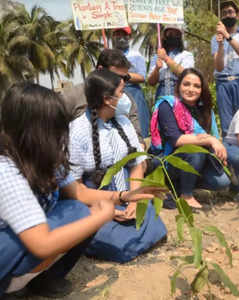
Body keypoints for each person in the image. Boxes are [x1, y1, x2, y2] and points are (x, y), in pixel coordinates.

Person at [0, 83, 163, 298]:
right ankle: (8, 286)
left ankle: (45, 279)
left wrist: (123, 196)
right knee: (84, 216)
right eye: (55, 126)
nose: (61, 132)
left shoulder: (44, 157)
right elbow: (41, 244)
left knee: (78, 210)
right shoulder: (6, 170)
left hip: (27, 236)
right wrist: (100, 216)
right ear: (34, 130)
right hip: (9, 245)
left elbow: (80, 193)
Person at [68, 69, 167, 263]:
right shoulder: (78, 131)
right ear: (107, 99)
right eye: (122, 92)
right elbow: (76, 189)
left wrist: (134, 200)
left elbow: (136, 164)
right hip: (95, 201)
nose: (126, 98)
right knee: (119, 245)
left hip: (127, 193)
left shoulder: (123, 122)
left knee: (157, 227)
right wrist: (110, 208)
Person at [150, 68, 230, 208]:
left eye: (196, 86)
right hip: (167, 159)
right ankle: (186, 194)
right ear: (179, 86)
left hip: (196, 161)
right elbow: (176, 140)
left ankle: (181, 184)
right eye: (186, 84)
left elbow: (214, 136)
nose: (191, 89)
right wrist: (210, 140)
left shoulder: (205, 110)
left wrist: (218, 149)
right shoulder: (168, 105)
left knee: (221, 181)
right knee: (195, 151)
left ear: (202, 89)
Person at [60, 48, 144, 144]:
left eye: (126, 78)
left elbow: (138, 137)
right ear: (100, 70)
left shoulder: (126, 101)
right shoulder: (73, 97)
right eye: (117, 77)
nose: (122, 82)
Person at [211, 0, 239, 137]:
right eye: (223, 13)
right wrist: (220, 45)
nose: (227, 15)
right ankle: (230, 155)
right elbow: (219, 66)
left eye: (230, 12)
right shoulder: (215, 38)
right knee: (226, 124)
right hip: (223, 82)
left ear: (237, 15)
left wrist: (227, 36)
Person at [112, 27, 151, 137]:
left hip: (133, 92)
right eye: (118, 35)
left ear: (129, 37)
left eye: (124, 35)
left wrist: (122, 74)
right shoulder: (108, 55)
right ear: (113, 37)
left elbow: (142, 77)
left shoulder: (136, 55)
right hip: (113, 94)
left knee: (139, 127)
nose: (121, 38)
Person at [147, 24, 195, 101]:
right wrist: (156, 69)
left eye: (176, 34)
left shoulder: (186, 55)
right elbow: (151, 82)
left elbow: (186, 74)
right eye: (170, 34)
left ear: (180, 37)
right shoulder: (156, 56)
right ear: (165, 36)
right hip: (161, 96)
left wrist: (166, 58)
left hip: (181, 96)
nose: (172, 36)